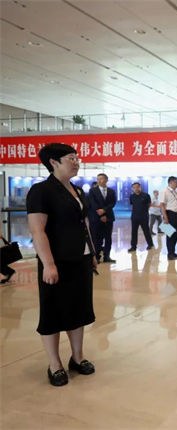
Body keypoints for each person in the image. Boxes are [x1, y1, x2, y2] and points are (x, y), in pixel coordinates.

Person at [26, 143, 97, 387]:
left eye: (77, 157)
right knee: (53, 311)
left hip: (81, 258)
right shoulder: (41, 191)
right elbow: (38, 230)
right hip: (57, 261)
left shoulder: (77, 190)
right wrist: (48, 264)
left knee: (79, 308)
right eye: (71, 158)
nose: (76, 162)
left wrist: (92, 251)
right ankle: (54, 364)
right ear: (54, 162)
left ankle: (77, 357)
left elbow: (84, 223)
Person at [87, 173, 116, 263]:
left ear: (106, 180)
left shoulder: (111, 191)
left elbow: (113, 203)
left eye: (101, 179)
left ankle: (107, 256)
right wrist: (101, 214)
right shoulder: (93, 191)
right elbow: (93, 203)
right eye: (98, 179)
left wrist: (104, 210)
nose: (99, 181)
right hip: (96, 218)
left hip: (108, 218)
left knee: (108, 238)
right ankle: (97, 256)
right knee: (97, 238)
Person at [160, 176, 177, 261]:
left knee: (176, 234)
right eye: (175, 182)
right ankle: (170, 254)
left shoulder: (176, 192)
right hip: (169, 214)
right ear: (170, 182)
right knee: (170, 235)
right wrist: (165, 217)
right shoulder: (165, 191)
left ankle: (173, 252)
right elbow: (162, 205)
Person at [128, 182, 154, 252]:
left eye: (137, 187)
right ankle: (133, 246)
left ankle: (150, 244)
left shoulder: (146, 195)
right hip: (134, 217)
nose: (136, 189)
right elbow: (132, 204)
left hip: (144, 217)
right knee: (134, 232)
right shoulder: (132, 196)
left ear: (140, 187)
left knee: (146, 231)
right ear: (132, 189)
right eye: (134, 187)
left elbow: (149, 204)